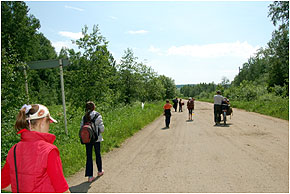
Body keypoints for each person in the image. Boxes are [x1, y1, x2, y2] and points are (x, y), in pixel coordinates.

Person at [1, 104, 70, 193]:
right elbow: (62, 189)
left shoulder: (14, 150)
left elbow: (3, 184)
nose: (49, 127)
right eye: (48, 122)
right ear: (42, 122)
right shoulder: (49, 151)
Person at [80, 101, 105, 183]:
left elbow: (82, 128)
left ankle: (90, 176)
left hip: (87, 139)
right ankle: (100, 171)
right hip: (97, 139)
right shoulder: (98, 115)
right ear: (94, 107)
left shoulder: (84, 117)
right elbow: (102, 129)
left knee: (89, 156)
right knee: (98, 154)